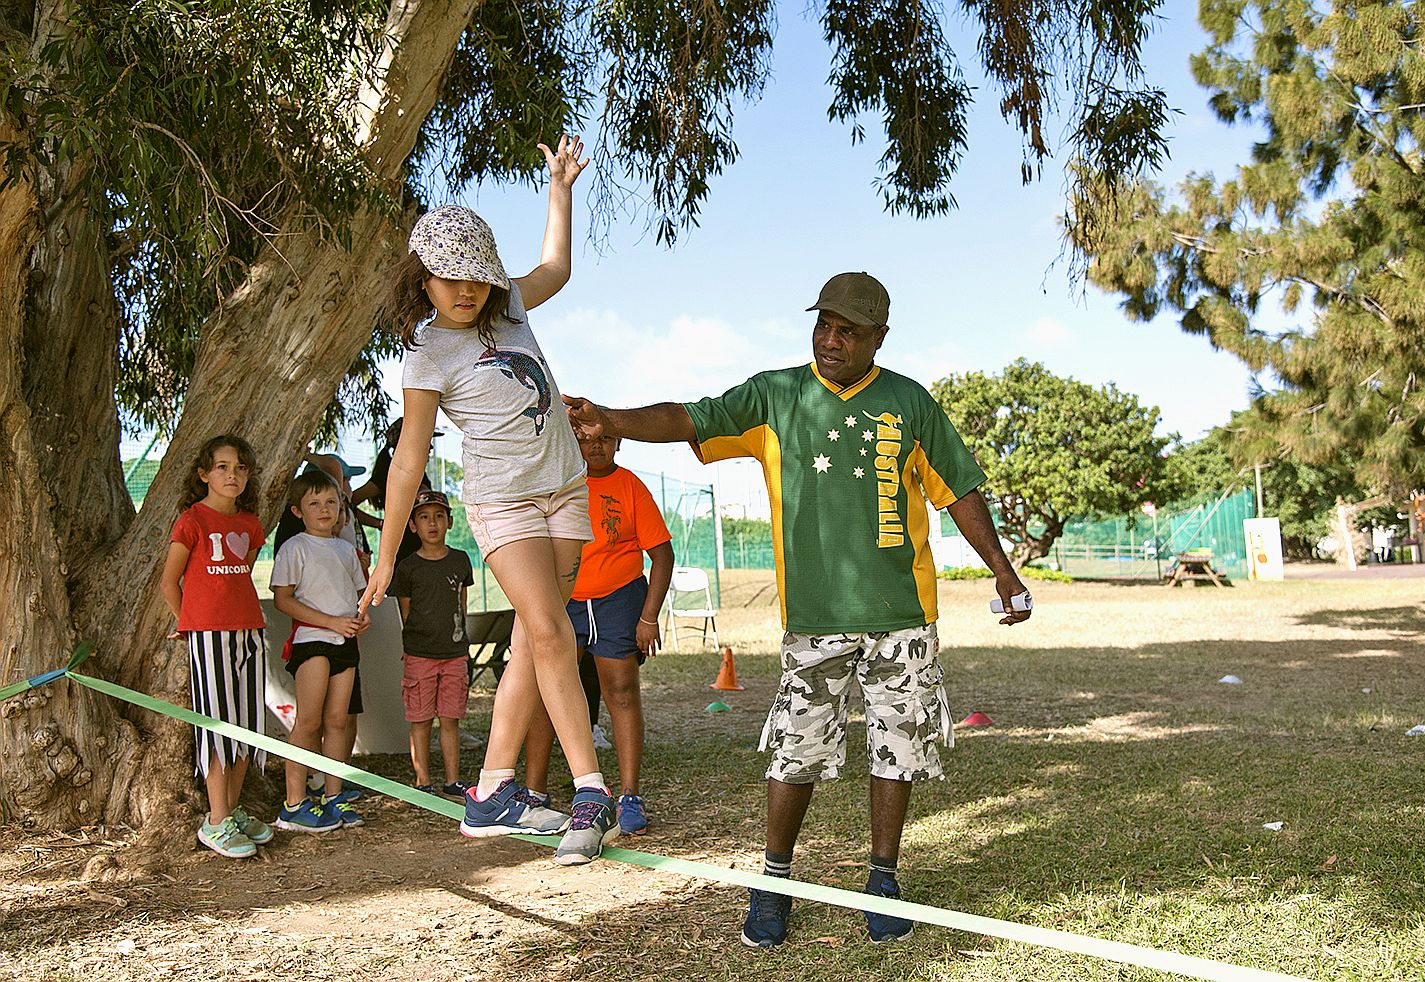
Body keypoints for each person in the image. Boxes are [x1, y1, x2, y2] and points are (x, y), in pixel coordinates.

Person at [564, 272, 1034, 946]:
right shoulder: (775, 396)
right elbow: (688, 416)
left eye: (848, 331)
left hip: (902, 614)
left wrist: (1003, 571)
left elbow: (959, 489)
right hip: (814, 619)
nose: (830, 340)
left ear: (879, 337)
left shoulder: (910, 403)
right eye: (823, 325)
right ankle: (775, 879)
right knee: (795, 752)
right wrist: (613, 420)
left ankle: (882, 879)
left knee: (897, 750)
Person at [360, 134, 620, 866]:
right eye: (451, 280)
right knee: (548, 629)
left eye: (476, 277)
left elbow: (558, 269)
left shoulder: (509, 310)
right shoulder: (426, 353)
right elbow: (410, 460)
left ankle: (492, 792)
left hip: (565, 490)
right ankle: (590, 788)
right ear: (424, 279)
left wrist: (560, 188)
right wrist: (386, 557)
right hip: (504, 504)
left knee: (538, 642)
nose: (467, 290)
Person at [523, 433, 674, 836]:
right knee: (545, 691)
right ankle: (534, 793)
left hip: (619, 600)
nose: (596, 447)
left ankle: (628, 794)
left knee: (621, 691)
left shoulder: (629, 485)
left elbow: (662, 554)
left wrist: (648, 617)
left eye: (605, 439)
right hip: (565, 598)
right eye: (585, 441)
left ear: (619, 444)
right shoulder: (558, 483)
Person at [159, 434, 273, 859]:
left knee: (246, 725)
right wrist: (187, 624)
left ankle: (233, 809)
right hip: (208, 635)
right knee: (216, 725)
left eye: (240, 468)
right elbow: (170, 582)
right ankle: (216, 819)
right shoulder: (192, 521)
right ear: (204, 474)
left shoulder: (250, 524)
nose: (232, 475)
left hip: (250, 631)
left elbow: (237, 577)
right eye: (222, 467)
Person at [271, 470, 370, 832]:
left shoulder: (346, 549)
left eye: (331, 501)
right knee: (309, 722)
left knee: (338, 722)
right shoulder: (293, 547)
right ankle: (294, 803)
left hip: (346, 643)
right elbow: (283, 600)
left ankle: (333, 796)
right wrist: (330, 622)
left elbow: (357, 598)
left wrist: (361, 618)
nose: (324, 509)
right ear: (298, 511)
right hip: (311, 642)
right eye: (314, 503)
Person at [388, 489, 475, 797]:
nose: (432, 523)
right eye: (424, 517)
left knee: (450, 719)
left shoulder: (460, 561)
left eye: (439, 516)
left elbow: (461, 605)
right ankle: (422, 781)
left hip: (454, 654)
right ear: (413, 526)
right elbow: (406, 611)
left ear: (450, 522)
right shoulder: (408, 567)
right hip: (419, 656)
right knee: (421, 720)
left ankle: (452, 780)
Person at [353, 417, 436, 563]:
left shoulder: (420, 474)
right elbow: (349, 502)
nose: (431, 447)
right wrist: (380, 523)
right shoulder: (388, 473)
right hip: (402, 556)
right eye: (424, 440)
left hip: (422, 553)